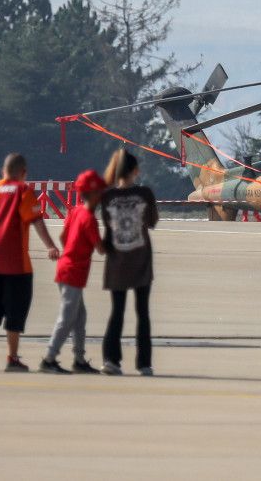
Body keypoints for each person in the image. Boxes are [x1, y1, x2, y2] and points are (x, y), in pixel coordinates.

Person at [0, 153, 61, 372]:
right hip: (15, 263)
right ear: (23, 173)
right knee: (15, 310)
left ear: (3, 171)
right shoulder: (23, 191)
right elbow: (36, 221)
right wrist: (50, 245)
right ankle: (12, 359)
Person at [40, 170, 107, 375]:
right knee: (67, 317)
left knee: (79, 317)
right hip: (73, 273)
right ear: (94, 194)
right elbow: (101, 248)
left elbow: (62, 237)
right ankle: (49, 358)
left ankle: (79, 359)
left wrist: (72, 250)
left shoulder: (75, 211)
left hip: (67, 268)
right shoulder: (89, 218)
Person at [99, 149, 159, 376]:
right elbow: (152, 221)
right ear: (135, 171)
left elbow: (106, 227)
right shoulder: (145, 194)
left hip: (116, 260)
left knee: (117, 312)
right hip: (141, 259)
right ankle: (144, 364)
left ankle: (111, 360)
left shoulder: (107, 197)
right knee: (142, 313)